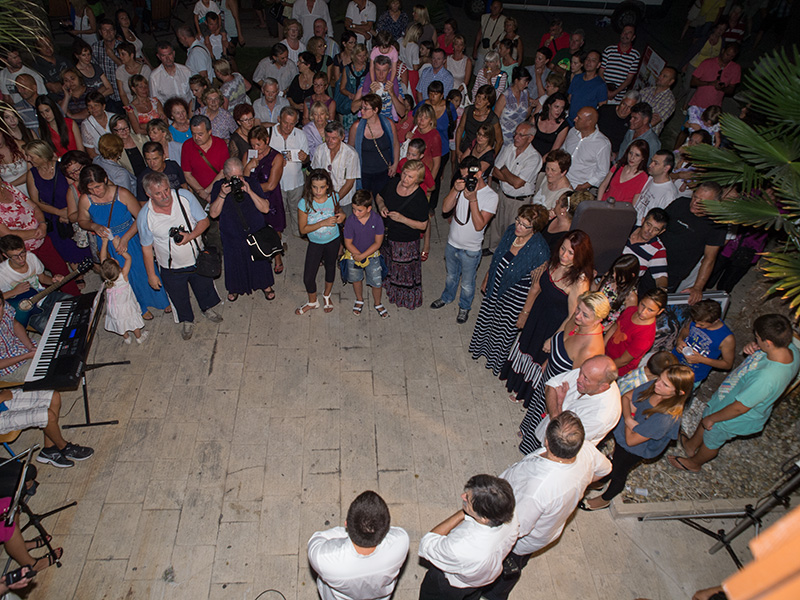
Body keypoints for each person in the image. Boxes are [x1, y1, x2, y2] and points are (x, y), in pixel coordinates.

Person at [481, 412, 612, 600]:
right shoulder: (586, 451)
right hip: (543, 527)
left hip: (519, 542)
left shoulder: (538, 490)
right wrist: (582, 481)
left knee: (504, 569)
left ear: (547, 442)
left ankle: (494, 594)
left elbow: (517, 528)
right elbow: (605, 469)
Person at [671, 314, 800, 474]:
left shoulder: (767, 377)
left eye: (757, 337)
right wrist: (755, 346)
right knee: (706, 417)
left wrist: (713, 418)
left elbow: (740, 408)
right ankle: (691, 446)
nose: (756, 339)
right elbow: (762, 352)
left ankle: (694, 463)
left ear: (768, 343)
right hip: (727, 397)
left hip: (733, 416)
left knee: (712, 440)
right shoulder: (790, 349)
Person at [581, 364, 695, 510]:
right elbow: (626, 397)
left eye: (665, 384)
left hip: (636, 449)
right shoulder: (656, 387)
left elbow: (631, 441)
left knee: (619, 470)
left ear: (679, 392)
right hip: (631, 432)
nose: (657, 383)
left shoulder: (665, 417)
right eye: (660, 378)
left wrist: (629, 415)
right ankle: (602, 480)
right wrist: (630, 418)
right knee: (614, 459)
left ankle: (606, 498)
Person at [511, 291, 609, 445]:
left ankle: (532, 444)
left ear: (599, 320)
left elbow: (576, 385)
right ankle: (527, 430)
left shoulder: (590, 349)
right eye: (578, 309)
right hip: (549, 376)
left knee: (543, 420)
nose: (577, 316)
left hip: (559, 391)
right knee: (536, 406)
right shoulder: (577, 322)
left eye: (585, 315)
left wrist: (558, 405)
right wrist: (548, 362)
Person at [137, 171, 223, 340]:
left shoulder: (184, 197)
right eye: (158, 193)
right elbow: (146, 247)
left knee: (204, 287)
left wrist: (190, 236)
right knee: (179, 297)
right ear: (149, 194)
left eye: (167, 190)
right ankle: (187, 320)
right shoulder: (145, 216)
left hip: (197, 259)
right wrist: (151, 274)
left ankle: (207, 308)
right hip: (171, 267)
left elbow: (204, 221)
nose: (165, 196)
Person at [77, 165, 170, 319]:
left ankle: (160, 300)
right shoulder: (85, 199)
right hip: (107, 242)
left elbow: (140, 218)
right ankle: (139, 306)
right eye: (91, 189)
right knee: (122, 277)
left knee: (141, 269)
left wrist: (126, 238)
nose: (96, 192)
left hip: (129, 237)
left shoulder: (122, 194)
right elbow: (82, 220)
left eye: (98, 186)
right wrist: (93, 225)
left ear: (105, 180)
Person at [510, 229, 594, 398]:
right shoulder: (555, 261)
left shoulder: (580, 281)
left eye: (571, 253)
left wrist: (554, 339)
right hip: (538, 313)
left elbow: (572, 317)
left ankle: (524, 392)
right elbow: (538, 287)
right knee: (526, 347)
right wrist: (525, 312)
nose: (564, 255)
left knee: (537, 356)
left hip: (553, 325)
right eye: (563, 249)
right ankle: (515, 381)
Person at [470, 205, 550, 376]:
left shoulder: (540, 250)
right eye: (518, 221)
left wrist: (525, 313)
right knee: (487, 320)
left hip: (515, 298)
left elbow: (536, 286)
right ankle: (481, 350)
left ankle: (494, 361)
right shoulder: (510, 232)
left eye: (524, 225)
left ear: (534, 229)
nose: (518, 226)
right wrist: (487, 278)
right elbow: (497, 257)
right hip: (496, 286)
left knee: (502, 331)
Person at [417, 474, 518, 600]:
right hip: (480, 580)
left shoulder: (460, 547)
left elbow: (427, 543)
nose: (462, 496)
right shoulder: (513, 518)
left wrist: (462, 513)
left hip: (451, 585)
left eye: (468, 499)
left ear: (484, 518)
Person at [431, 157, 498, 324]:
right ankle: (447, 297)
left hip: (471, 249)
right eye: (462, 176)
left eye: (468, 176)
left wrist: (473, 199)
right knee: (451, 277)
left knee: (468, 283)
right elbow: (445, 209)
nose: (465, 180)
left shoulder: (491, 196)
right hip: (452, 243)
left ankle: (464, 307)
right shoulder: (460, 186)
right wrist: (455, 189)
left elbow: (479, 225)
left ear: (479, 173)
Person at [308, 490, 409, 600]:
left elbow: (317, 539)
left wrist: (346, 531)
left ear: (346, 524)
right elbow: (395, 532)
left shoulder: (323, 558)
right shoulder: (401, 542)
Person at [209, 158, 276, 302]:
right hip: (232, 234)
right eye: (233, 178)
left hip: (255, 231)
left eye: (239, 176)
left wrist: (250, 191)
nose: (237, 180)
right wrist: (222, 194)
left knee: (260, 261)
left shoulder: (250, 182)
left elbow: (265, 208)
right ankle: (235, 288)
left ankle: (265, 285)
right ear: (225, 176)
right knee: (234, 263)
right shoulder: (218, 187)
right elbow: (213, 214)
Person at [528, 355, 622, 453]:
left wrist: (559, 404)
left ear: (603, 387)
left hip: (556, 451)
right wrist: (555, 414)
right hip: (546, 428)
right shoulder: (588, 372)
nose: (578, 378)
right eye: (581, 371)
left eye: (586, 379)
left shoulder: (601, 416)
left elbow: (564, 438)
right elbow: (551, 384)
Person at [24, 140, 92, 270]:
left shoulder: (61, 168)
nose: (27, 159)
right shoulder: (32, 174)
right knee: (68, 250)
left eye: (31, 156)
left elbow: (77, 189)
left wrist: (71, 212)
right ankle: (77, 273)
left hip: (73, 210)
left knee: (85, 248)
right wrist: (59, 212)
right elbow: (35, 201)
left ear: (41, 155)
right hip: (53, 217)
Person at [660, 182, 727, 302]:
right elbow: (659, 223)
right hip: (653, 258)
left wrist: (698, 287)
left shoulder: (717, 225)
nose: (695, 202)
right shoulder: (680, 203)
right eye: (695, 197)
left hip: (673, 272)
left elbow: (709, 258)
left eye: (702, 201)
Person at [376, 160, 428, 310]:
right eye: (405, 174)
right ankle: (391, 290)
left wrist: (403, 219)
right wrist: (382, 206)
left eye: (411, 177)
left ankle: (405, 298)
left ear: (418, 180)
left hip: (406, 242)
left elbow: (423, 225)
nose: (405, 179)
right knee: (391, 266)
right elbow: (379, 196)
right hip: (388, 236)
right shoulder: (393, 183)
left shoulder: (419, 198)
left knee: (404, 272)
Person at [295, 169, 345, 315]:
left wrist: (342, 215)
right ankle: (312, 301)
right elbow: (303, 229)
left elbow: (340, 211)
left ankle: (327, 295)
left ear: (328, 185)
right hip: (315, 243)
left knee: (330, 268)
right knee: (308, 276)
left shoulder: (334, 197)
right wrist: (322, 223)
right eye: (315, 187)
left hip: (333, 240)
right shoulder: (304, 203)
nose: (318, 191)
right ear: (309, 186)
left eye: (322, 187)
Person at [486, 122, 541, 253]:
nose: (516, 137)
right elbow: (495, 171)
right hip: (503, 193)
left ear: (530, 138)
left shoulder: (534, 157)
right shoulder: (509, 148)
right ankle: (493, 249)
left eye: (521, 135)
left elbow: (518, 183)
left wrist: (504, 171)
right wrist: (510, 177)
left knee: (513, 229)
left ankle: (508, 253)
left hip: (519, 200)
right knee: (497, 225)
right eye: (515, 133)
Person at [244, 125, 286, 274]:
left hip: (271, 199)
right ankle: (259, 253)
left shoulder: (277, 157)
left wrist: (250, 188)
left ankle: (277, 256)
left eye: (259, 144)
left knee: (275, 229)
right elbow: (242, 178)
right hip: (252, 200)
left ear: (267, 140)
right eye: (253, 144)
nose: (256, 148)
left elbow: (271, 185)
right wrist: (248, 167)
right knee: (255, 229)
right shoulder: (249, 155)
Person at [342, 190, 387, 318]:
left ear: (369, 208)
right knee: (356, 279)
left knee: (376, 281)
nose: (356, 213)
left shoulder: (377, 220)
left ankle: (377, 303)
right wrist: (358, 255)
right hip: (353, 255)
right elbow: (348, 243)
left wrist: (363, 256)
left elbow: (378, 243)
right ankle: (359, 299)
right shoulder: (351, 220)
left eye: (359, 210)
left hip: (372, 255)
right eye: (354, 209)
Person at [672, 298, 735, 387]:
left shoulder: (727, 339)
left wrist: (701, 359)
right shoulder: (698, 318)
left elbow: (727, 364)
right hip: (673, 360)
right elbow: (686, 329)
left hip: (691, 375)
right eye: (695, 322)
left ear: (716, 321)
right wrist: (679, 340)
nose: (697, 326)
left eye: (701, 325)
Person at [605, 288, 667, 377]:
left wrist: (604, 367)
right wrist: (601, 349)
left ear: (660, 311)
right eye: (642, 305)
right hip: (605, 355)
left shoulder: (645, 336)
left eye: (650, 310)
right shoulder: (631, 310)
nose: (643, 311)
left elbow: (623, 360)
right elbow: (614, 327)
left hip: (616, 369)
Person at [349, 94, 399, 199]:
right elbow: (350, 150)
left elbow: (395, 144)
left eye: (365, 109)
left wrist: (395, 165)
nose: (361, 111)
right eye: (361, 108)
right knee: (364, 202)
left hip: (383, 171)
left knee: (383, 202)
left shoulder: (388, 124)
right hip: (363, 172)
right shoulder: (356, 127)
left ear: (376, 110)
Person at [99, 236, 146, 344]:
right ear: (116, 263)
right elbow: (128, 258)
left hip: (114, 308)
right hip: (126, 306)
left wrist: (104, 242)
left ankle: (126, 338)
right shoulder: (123, 275)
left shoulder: (107, 278)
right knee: (132, 321)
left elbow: (102, 259)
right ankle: (139, 337)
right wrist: (117, 245)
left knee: (120, 322)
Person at [271, 107, 308, 237]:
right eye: (285, 122)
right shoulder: (269, 134)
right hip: (276, 181)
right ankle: (280, 234)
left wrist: (305, 158)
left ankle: (298, 232)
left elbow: (306, 160)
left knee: (296, 208)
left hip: (296, 181)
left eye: (292, 123)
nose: (288, 127)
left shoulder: (300, 134)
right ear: (279, 119)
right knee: (278, 210)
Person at [311, 121, 360, 216]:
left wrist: (333, 201)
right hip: (322, 199)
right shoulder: (320, 150)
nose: (329, 141)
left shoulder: (351, 154)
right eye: (327, 137)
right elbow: (315, 175)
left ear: (342, 137)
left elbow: (350, 183)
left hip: (344, 201)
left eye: (333, 138)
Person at [181, 114, 229, 206]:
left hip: (219, 191)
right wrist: (202, 193)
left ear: (209, 131)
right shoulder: (187, 146)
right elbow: (187, 174)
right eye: (193, 134)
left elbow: (223, 172)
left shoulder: (220, 144)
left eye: (200, 134)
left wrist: (206, 191)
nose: (196, 138)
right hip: (198, 193)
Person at [562, 107, 611, 191]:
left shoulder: (602, 144)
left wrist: (583, 187)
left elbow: (603, 172)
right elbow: (562, 151)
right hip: (561, 180)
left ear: (589, 122)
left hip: (578, 187)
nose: (575, 119)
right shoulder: (572, 132)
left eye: (579, 118)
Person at [454, 85, 502, 165]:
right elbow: (460, 129)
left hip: (480, 152)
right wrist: (458, 150)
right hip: (466, 147)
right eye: (478, 97)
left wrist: (490, 158)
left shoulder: (492, 118)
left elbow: (499, 141)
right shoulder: (468, 110)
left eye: (483, 99)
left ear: (488, 103)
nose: (479, 101)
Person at [624, 207, 670, 290]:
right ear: (643, 220)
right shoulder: (626, 229)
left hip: (625, 289)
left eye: (656, 229)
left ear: (661, 232)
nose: (649, 231)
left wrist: (661, 291)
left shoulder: (657, 249)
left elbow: (661, 277)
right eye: (648, 224)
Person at [352, 56, 406, 123]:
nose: (381, 74)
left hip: (387, 125)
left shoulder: (394, 84)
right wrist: (370, 94)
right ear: (373, 69)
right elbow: (353, 108)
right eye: (378, 70)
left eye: (384, 70)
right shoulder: (366, 82)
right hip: (369, 124)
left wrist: (392, 94)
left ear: (389, 70)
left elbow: (402, 113)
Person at [688, 44, 740, 111]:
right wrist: (710, 83)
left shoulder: (735, 68)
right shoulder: (707, 62)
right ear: (723, 51)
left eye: (732, 56)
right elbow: (693, 82)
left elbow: (731, 90)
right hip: (697, 104)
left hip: (714, 108)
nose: (728, 58)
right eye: (727, 54)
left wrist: (722, 88)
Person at [597, 139, 649, 204]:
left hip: (622, 211)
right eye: (631, 153)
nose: (632, 157)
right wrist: (598, 203)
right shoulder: (618, 166)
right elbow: (604, 185)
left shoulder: (643, 177)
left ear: (643, 157)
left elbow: (635, 202)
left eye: (637, 155)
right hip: (604, 205)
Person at [594, 254, 640, 329]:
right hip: (591, 318)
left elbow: (625, 321)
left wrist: (603, 329)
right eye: (614, 271)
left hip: (605, 328)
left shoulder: (631, 296)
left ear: (631, 275)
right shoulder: (609, 277)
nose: (614, 275)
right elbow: (596, 290)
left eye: (619, 274)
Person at [600, 25, 640, 104]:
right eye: (624, 32)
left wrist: (614, 93)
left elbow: (629, 79)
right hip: (602, 92)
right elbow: (601, 72)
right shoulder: (609, 50)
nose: (625, 35)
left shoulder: (635, 55)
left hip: (618, 97)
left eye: (629, 33)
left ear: (633, 37)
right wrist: (606, 90)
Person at [634, 150, 677, 224]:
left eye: (656, 163)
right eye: (651, 161)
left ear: (666, 168)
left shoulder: (669, 194)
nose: (650, 165)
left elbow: (660, 222)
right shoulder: (650, 178)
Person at [566, 50, 607, 125]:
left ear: (598, 65)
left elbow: (602, 108)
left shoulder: (600, 85)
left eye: (593, 60)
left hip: (585, 125)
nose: (589, 62)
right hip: (570, 121)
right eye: (587, 59)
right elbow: (570, 98)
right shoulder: (577, 78)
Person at [495, 67, 532, 148]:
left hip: (518, 139)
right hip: (503, 138)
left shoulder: (526, 94)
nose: (526, 84)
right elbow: (495, 118)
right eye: (525, 81)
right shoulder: (505, 96)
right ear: (516, 80)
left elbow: (526, 115)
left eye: (528, 82)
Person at [336, 43, 368, 135]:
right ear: (354, 55)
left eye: (364, 55)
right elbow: (342, 88)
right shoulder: (347, 69)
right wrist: (350, 94)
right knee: (349, 133)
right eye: (359, 56)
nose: (362, 58)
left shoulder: (369, 68)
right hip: (350, 105)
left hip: (364, 103)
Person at [91, 18, 123, 106]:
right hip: (107, 94)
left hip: (122, 92)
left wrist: (112, 56)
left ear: (115, 32)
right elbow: (93, 68)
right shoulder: (95, 47)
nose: (108, 33)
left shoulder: (122, 46)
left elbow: (127, 67)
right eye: (105, 30)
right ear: (100, 32)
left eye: (111, 30)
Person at [639, 67, 678, 136]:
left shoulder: (669, 101)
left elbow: (654, 121)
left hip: (647, 135)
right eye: (660, 74)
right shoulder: (646, 90)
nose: (660, 77)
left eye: (664, 76)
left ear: (671, 82)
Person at [472, 0, 507, 73]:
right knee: (479, 72)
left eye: (497, 7)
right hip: (482, 50)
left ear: (501, 9)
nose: (494, 9)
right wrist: (475, 49)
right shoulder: (484, 17)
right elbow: (479, 34)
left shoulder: (504, 20)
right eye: (493, 7)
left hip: (495, 52)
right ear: (490, 7)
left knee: (492, 73)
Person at [115, 41, 152, 109]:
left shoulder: (145, 69)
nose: (120, 57)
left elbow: (149, 90)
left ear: (131, 55)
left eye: (123, 54)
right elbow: (122, 94)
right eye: (119, 54)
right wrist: (129, 108)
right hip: (131, 105)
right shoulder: (120, 71)